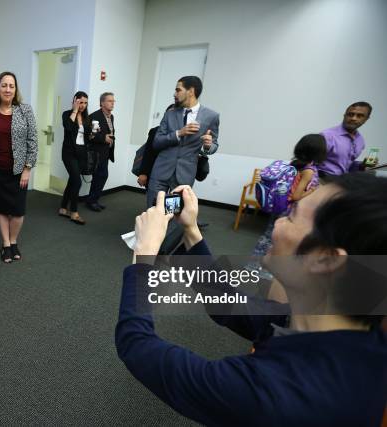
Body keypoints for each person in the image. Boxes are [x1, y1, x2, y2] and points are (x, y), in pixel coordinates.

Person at [116, 176, 387, 426]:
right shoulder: (335, 331)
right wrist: (191, 229)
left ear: (326, 259)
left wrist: (144, 255)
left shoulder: (273, 394)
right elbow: (224, 302)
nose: (278, 220)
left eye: (291, 216)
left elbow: (137, 345)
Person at [247, 134, 327, 278]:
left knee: (269, 236)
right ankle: (264, 270)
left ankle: (253, 265)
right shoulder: (309, 170)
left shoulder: (294, 163)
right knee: (277, 239)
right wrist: (313, 190)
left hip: (279, 205)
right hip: (288, 210)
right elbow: (296, 196)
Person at [0, 71, 38, 263]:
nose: (7, 89)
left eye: (11, 86)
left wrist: (27, 168)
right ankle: (6, 244)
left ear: (15, 89)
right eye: (3, 85)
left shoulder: (25, 110)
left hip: (18, 171)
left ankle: (14, 241)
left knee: (18, 211)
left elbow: (33, 140)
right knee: (2, 209)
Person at [149, 76, 220, 209]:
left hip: (184, 176)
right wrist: (179, 133)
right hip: (160, 172)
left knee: (172, 211)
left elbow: (214, 145)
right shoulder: (169, 114)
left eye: (178, 90)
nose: (174, 94)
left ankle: (168, 231)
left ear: (191, 91)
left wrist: (208, 145)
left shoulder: (211, 116)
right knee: (154, 209)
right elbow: (157, 142)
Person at [317, 101, 378, 178]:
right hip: (321, 179)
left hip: (341, 181)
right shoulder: (327, 136)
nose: (353, 118)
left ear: (366, 119)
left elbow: (345, 165)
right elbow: (309, 163)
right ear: (344, 115)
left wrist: (362, 165)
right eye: (350, 114)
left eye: (360, 116)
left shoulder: (360, 140)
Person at [58, 91, 89, 225]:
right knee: (77, 182)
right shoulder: (67, 114)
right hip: (69, 154)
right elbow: (68, 127)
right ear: (75, 101)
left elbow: (86, 137)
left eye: (85, 103)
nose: (83, 105)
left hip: (81, 154)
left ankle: (63, 208)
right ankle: (74, 212)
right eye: (80, 102)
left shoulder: (87, 117)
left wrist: (93, 134)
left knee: (72, 181)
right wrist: (75, 111)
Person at [85, 92, 115, 212]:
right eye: (109, 101)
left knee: (101, 176)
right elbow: (91, 136)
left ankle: (94, 200)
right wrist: (104, 138)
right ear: (102, 103)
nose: (112, 103)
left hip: (106, 152)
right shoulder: (95, 117)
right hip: (97, 153)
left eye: (113, 101)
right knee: (99, 176)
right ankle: (92, 201)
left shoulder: (111, 116)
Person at [136, 104, 175, 188]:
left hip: (174, 177)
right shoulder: (155, 131)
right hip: (155, 174)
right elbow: (148, 152)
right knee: (154, 200)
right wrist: (143, 173)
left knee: (171, 200)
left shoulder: (182, 134)